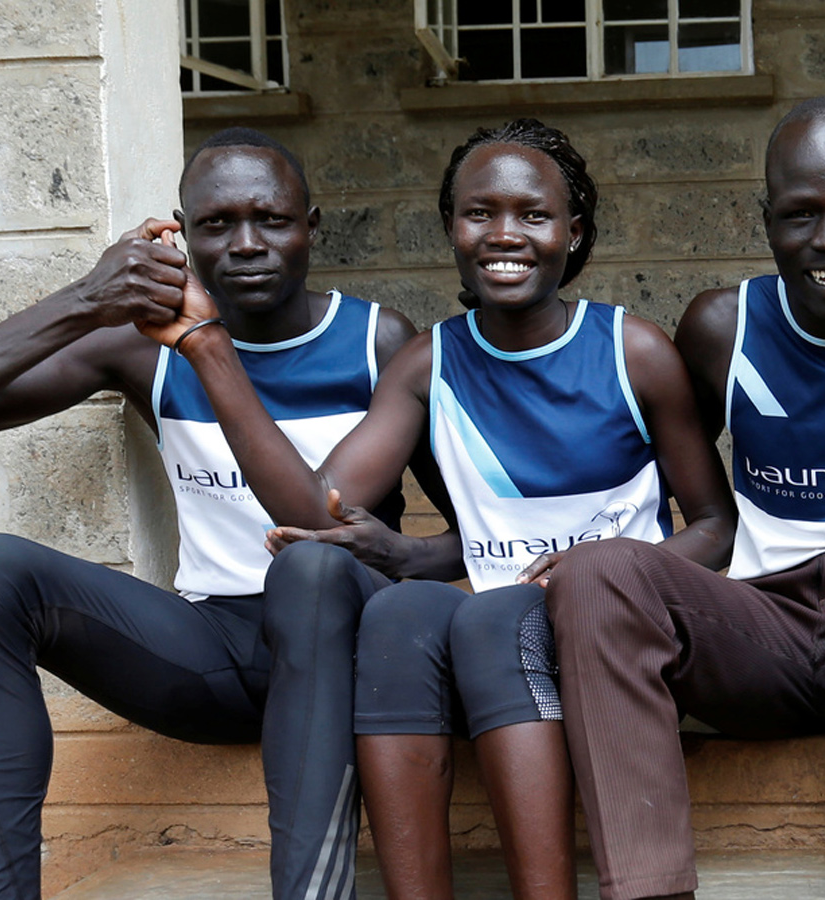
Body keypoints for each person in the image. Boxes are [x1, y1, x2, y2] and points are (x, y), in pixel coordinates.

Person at [166, 118, 738, 900]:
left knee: (490, 616)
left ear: (573, 233)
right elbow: (320, 513)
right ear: (450, 228)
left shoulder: (630, 350)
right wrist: (206, 343)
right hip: (490, 635)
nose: (504, 234)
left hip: (609, 631)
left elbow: (714, 527)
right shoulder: (427, 364)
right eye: (479, 213)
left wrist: (605, 571)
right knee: (399, 613)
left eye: (532, 215)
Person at [0, 128, 428, 900]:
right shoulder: (146, 348)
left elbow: (472, 524)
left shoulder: (378, 340)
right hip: (219, 650)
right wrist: (85, 300)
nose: (246, 244)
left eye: (271, 220)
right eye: (216, 224)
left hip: (353, 653)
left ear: (311, 226)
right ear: (180, 234)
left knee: (310, 567)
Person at [542, 96, 825, 900]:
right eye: (800, 214)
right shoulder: (723, 326)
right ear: (766, 221)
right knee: (595, 571)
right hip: (754, 632)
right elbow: (669, 489)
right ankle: (648, 890)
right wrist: (580, 564)